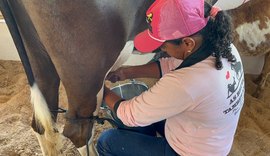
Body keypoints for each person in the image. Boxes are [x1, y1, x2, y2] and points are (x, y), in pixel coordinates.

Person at [97, 0, 245, 155]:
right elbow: (171, 64)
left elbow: (130, 115)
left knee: (106, 141)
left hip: (189, 151)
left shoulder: (186, 83)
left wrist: (100, 89)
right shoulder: (223, 47)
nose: (162, 49)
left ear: (187, 43)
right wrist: (126, 73)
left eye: (163, 46)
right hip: (208, 137)